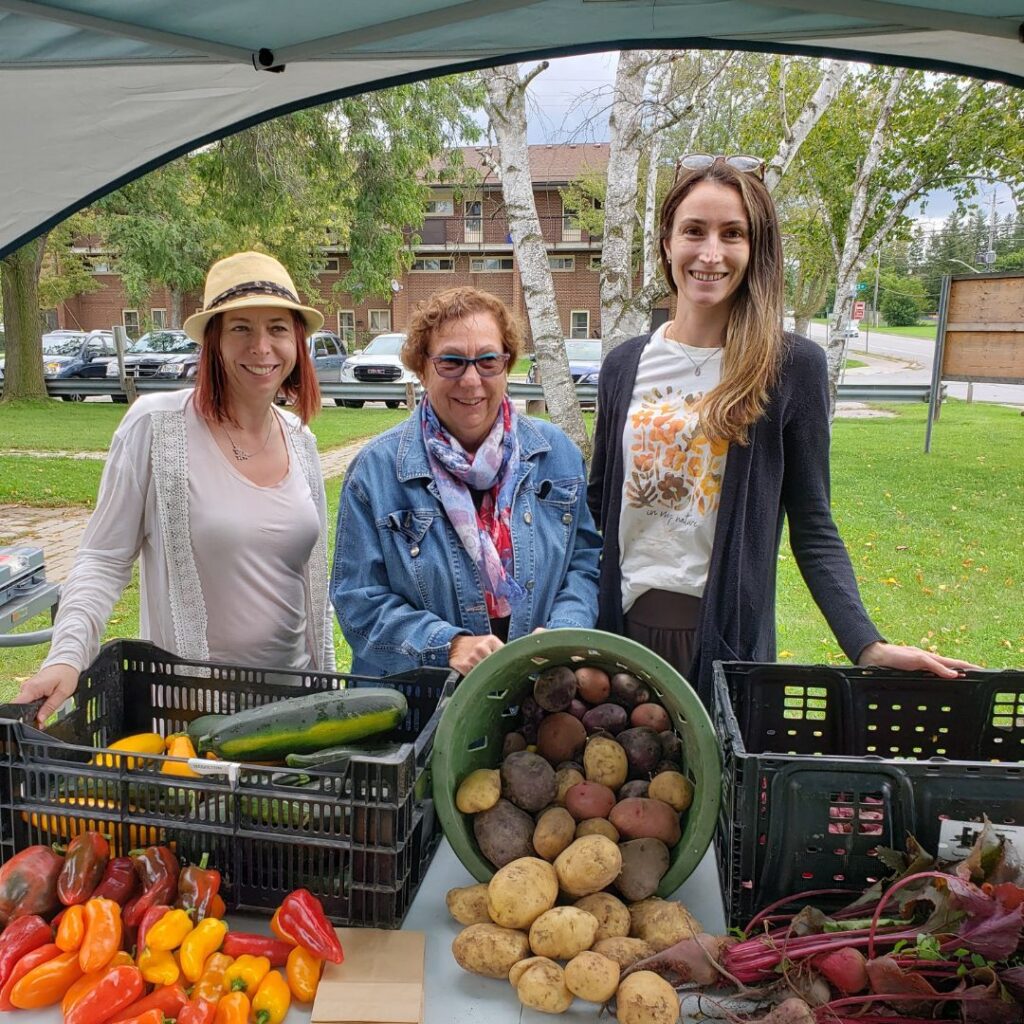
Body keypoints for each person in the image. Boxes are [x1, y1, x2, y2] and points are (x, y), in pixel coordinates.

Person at [588, 154, 973, 705]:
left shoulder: (791, 366)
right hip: (617, 637)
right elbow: (597, 508)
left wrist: (865, 643)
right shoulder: (625, 365)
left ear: (756, 249)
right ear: (667, 244)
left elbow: (813, 522)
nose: (711, 253)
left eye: (733, 234)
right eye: (694, 230)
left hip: (727, 645)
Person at [16, 251, 335, 725]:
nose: (261, 347)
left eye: (278, 328)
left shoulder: (301, 441)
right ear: (214, 342)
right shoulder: (156, 428)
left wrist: (324, 689)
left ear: (297, 341)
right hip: (190, 715)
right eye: (241, 328)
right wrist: (66, 657)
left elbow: (313, 589)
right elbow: (102, 561)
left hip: (291, 711)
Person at [331, 286, 600, 676]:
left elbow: (584, 563)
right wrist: (448, 645)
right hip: (421, 704)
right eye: (451, 362)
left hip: (537, 696)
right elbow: (357, 600)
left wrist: (561, 634)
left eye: (488, 361)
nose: (472, 380)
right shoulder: (375, 473)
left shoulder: (556, 455)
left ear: (507, 366)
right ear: (422, 367)